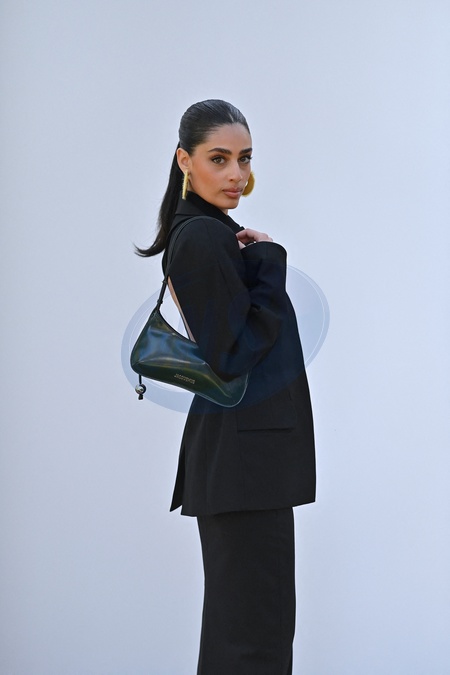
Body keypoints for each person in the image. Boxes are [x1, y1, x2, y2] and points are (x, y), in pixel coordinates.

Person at [136, 99, 315, 675]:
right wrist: (268, 262)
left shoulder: (213, 233)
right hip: (245, 464)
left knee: (247, 635)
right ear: (184, 161)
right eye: (219, 158)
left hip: (244, 462)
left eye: (245, 158)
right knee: (253, 643)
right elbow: (232, 355)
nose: (237, 174)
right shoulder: (203, 238)